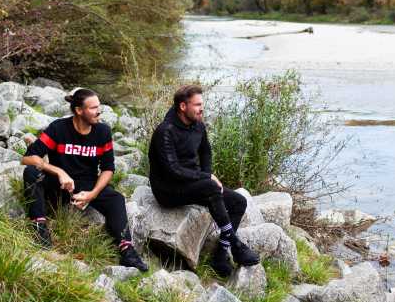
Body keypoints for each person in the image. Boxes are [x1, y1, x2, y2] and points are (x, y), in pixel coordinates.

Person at [21, 88, 148, 272]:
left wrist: (92, 194)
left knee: (117, 199)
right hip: (60, 184)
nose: (99, 111)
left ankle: (127, 250)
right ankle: (39, 228)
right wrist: (57, 171)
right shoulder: (58, 128)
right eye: (93, 108)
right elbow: (28, 159)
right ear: (79, 110)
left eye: (99, 107)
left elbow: (108, 169)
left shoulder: (102, 131)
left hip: (87, 186)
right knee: (31, 173)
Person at [148, 84, 259, 277]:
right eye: (197, 104)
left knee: (238, 202)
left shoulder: (198, 125)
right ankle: (236, 245)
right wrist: (206, 178)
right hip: (167, 190)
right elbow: (172, 170)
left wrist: (208, 178)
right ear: (183, 106)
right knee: (210, 186)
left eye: (202, 104)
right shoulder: (165, 131)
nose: (202, 108)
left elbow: (205, 151)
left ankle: (221, 253)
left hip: (191, 184)